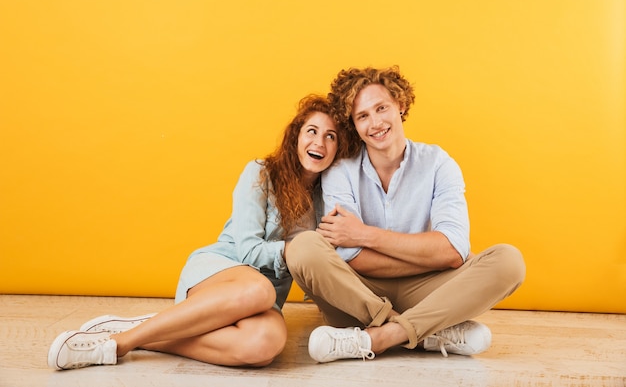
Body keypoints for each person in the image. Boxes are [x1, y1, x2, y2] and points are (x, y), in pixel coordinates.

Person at [47, 94, 353, 370]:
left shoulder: (327, 197)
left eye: (331, 137)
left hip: (265, 298)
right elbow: (248, 251)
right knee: (260, 288)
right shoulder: (261, 172)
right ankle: (118, 343)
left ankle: (153, 330)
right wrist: (294, 251)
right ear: (296, 136)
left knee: (265, 347)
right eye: (312, 131)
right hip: (221, 273)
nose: (320, 143)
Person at [285, 66, 526, 363]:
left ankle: (381, 336)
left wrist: (364, 234)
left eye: (381, 108)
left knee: (509, 261)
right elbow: (351, 257)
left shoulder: (439, 163)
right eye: (362, 116)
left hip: (427, 287)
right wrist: (425, 252)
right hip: (357, 292)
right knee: (302, 247)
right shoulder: (341, 170)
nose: (375, 123)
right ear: (354, 124)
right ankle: (424, 332)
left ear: (400, 105)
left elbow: (452, 250)